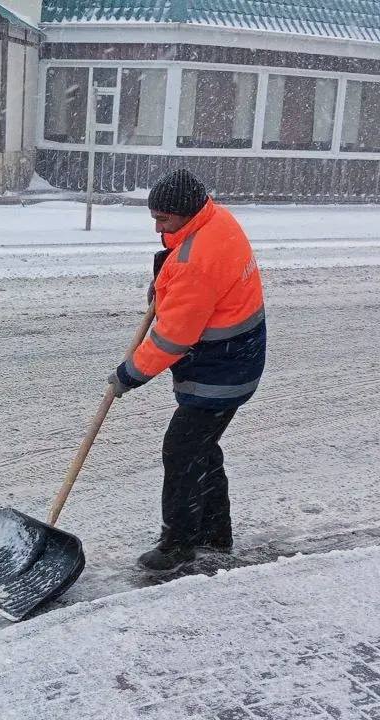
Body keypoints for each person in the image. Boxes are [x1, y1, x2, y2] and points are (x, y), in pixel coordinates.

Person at [107, 169, 266, 574]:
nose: (157, 228)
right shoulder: (215, 219)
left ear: (186, 212)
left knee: (181, 450)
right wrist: (166, 286)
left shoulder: (197, 260)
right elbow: (190, 284)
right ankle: (214, 532)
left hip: (221, 370)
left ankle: (178, 544)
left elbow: (171, 338)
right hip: (236, 355)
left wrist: (129, 374)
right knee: (201, 447)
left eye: (163, 219)